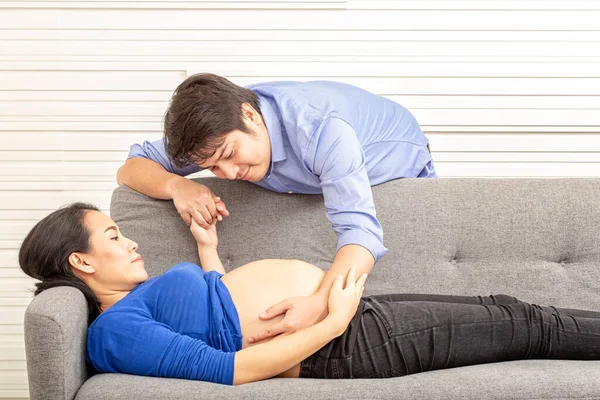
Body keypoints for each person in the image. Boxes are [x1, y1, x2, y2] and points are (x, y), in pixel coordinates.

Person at [19, 203, 600, 386]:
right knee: (526, 327)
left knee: (512, 310)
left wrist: (207, 248)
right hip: (336, 343)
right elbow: (229, 367)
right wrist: (330, 320)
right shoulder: (113, 333)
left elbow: (217, 306)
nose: (132, 241)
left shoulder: (136, 307)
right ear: (81, 260)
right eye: (115, 236)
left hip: (344, 317)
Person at [116, 74, 437, 343]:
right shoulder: (214, 135)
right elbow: (130, 167)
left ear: (251, 116)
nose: (228, 174)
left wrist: (319, 304)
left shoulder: (323, 130)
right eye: (211, 168)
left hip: (399, 158)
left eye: (229, 154)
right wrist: (178, 186)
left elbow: (361, 234)